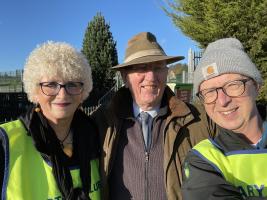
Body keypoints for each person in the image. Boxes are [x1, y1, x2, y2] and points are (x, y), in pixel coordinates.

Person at [92, 32, 216, 200]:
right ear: (125, 77)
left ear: (166, 73)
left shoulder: (199, 120)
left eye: (158, 67)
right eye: (141, 68)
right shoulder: (101, 122)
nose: (151, 77)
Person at [0, 41, 101, 200]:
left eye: (72, 84)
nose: (62, 94)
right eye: (51, 84)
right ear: (34, 91)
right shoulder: (6, 141)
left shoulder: (94, 134)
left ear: (83, 90)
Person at [182, 38, 267, 199]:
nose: (223, 101)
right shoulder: (203, 158)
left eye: (233, 85)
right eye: (210, 92)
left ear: (256, 86)